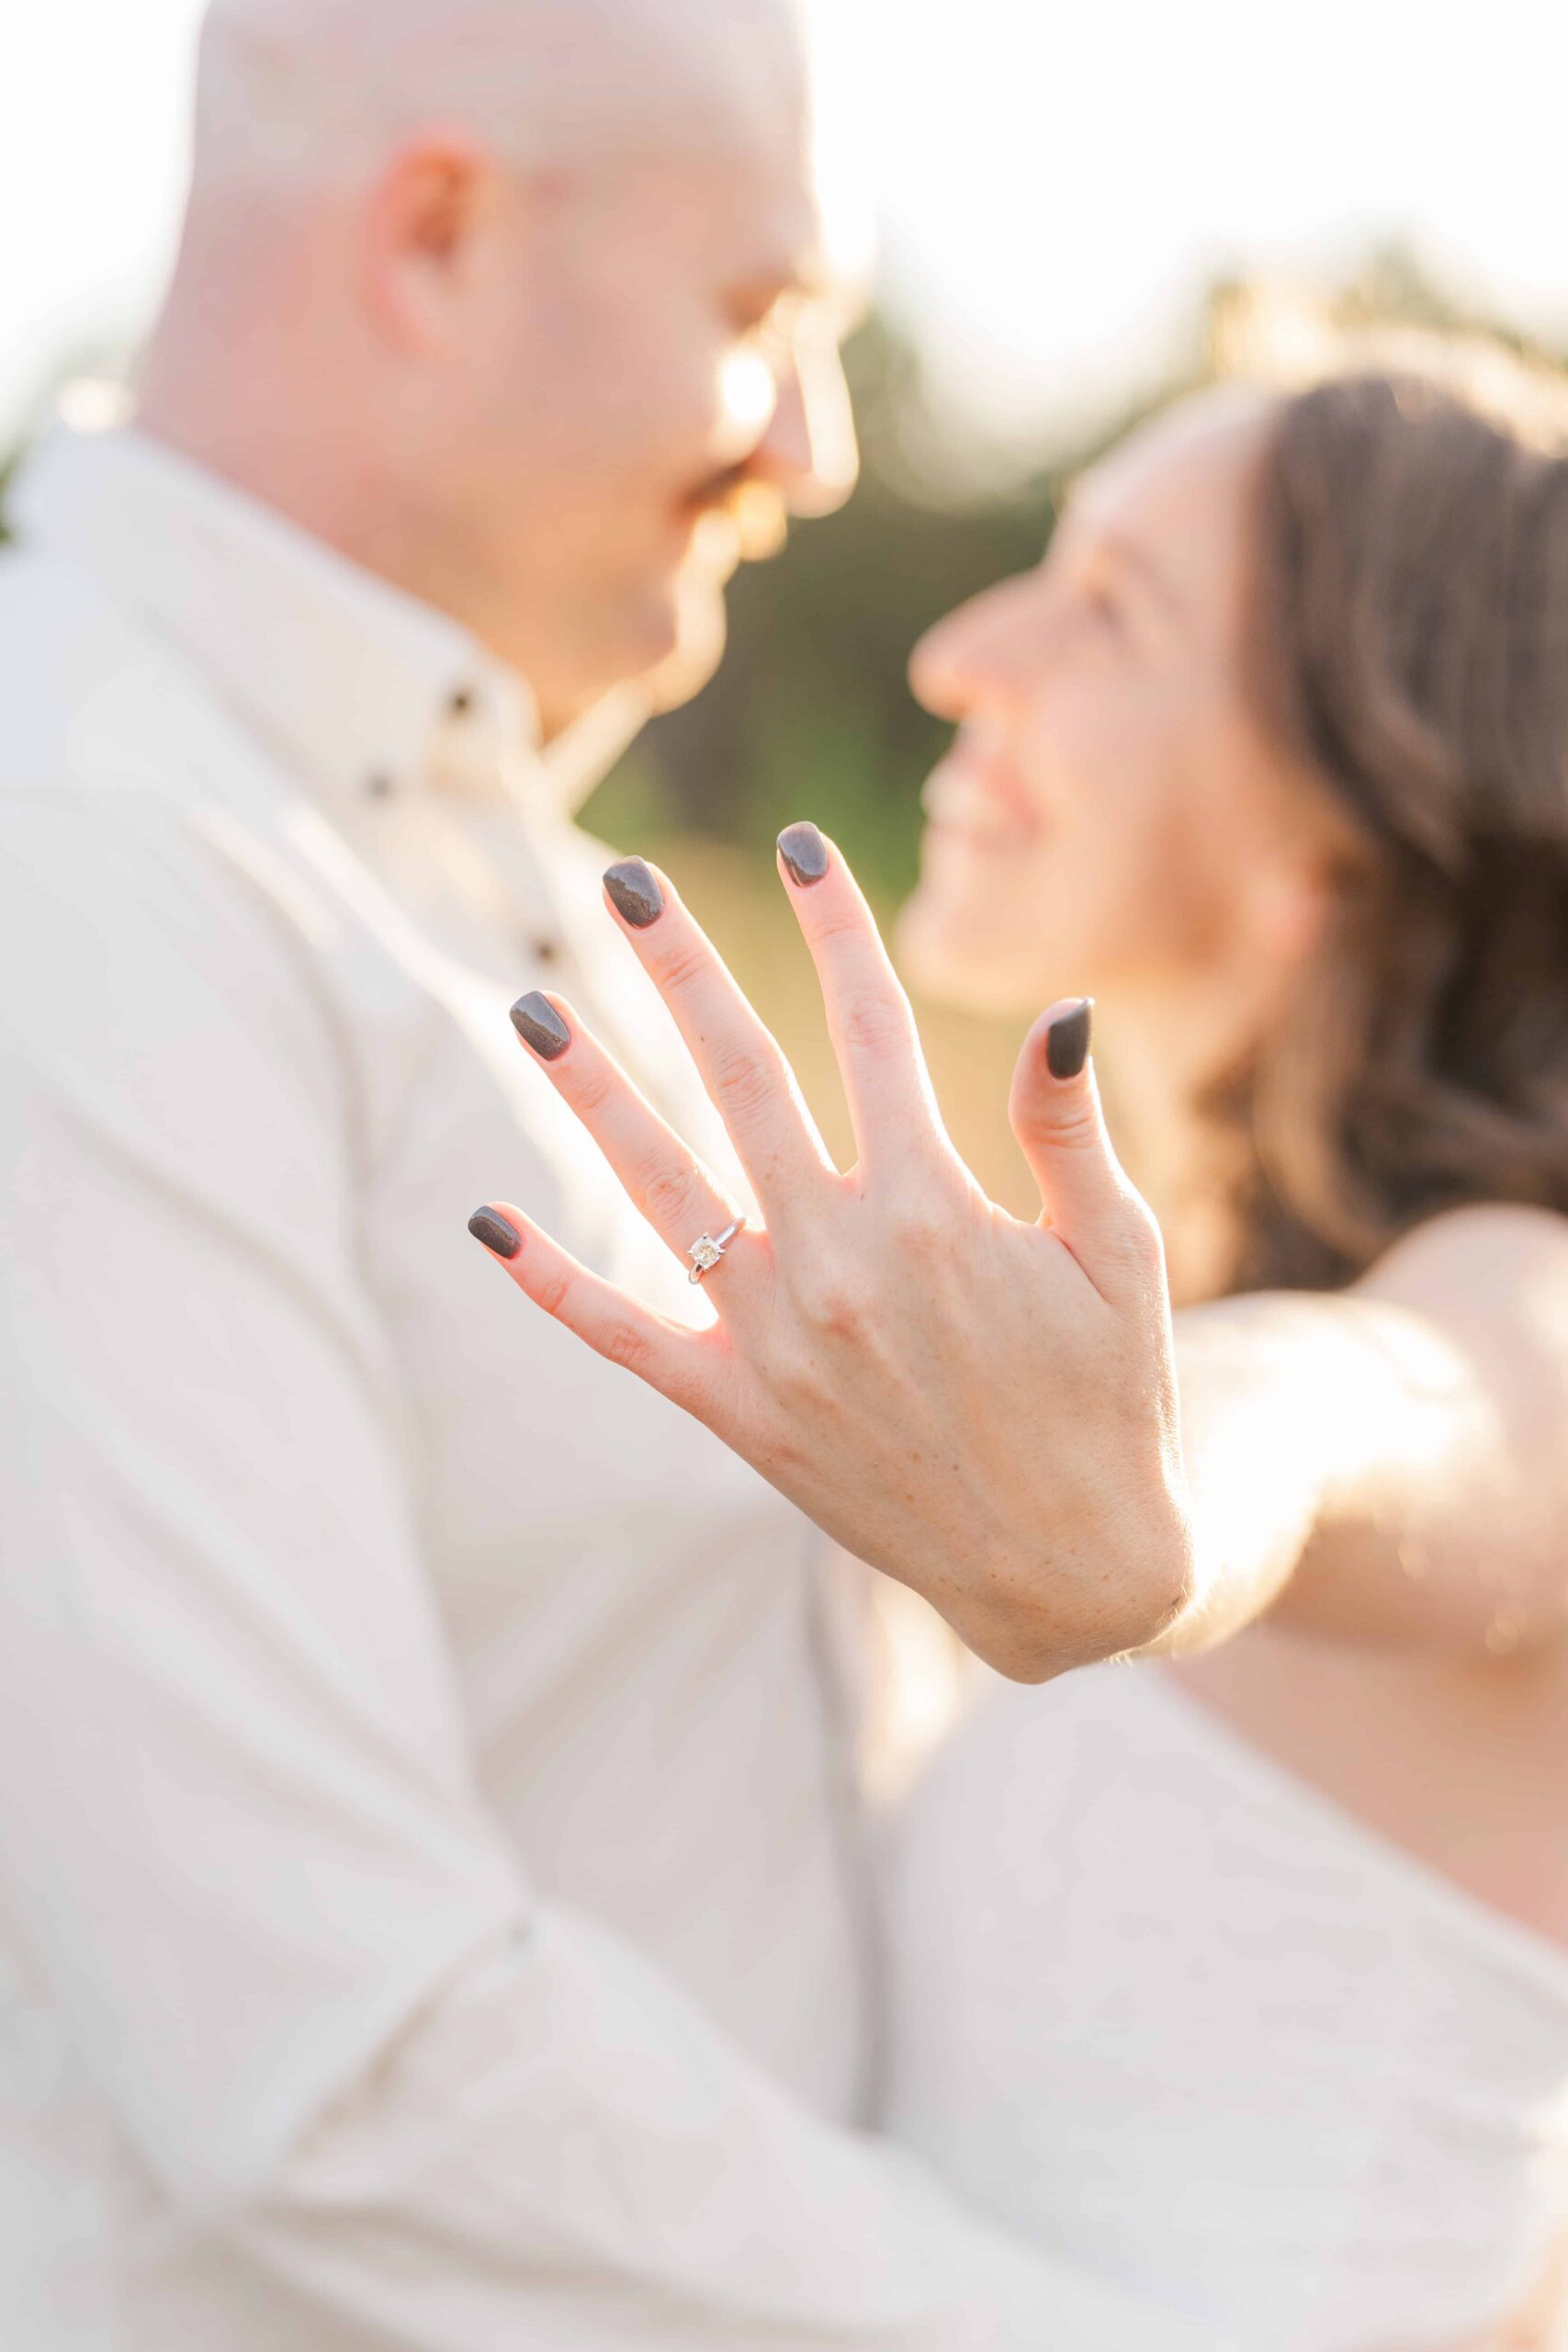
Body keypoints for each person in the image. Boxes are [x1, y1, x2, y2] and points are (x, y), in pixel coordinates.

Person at [0, 1, 1233, 2345]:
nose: (819, 444)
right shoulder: (76, 867)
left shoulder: (464, 846)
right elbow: (330, 2049)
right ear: (436, 235)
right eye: (759, 316)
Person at [478, 365, 1568, 2344]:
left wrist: (1174, 1500)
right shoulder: (1122, 1304)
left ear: (1336, 820)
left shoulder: (1511, 1292)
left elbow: (1399, 1413)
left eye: (1108, 606)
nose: (964, 649)